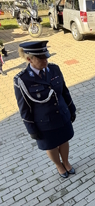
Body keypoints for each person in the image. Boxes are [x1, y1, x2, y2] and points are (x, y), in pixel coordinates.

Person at [14, 41, 76, 178]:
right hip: (44, 122)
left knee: (64, 140)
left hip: (62, 114)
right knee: (51, 145)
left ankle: (66, 161)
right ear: (29, 59)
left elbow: (64, 91)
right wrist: (31, 129)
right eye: (40, 58)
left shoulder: (54, 69)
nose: (45, 60)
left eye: (46, 56)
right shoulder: (22, 80)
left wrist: (71, 109)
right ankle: (59, 165)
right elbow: (24, 108)